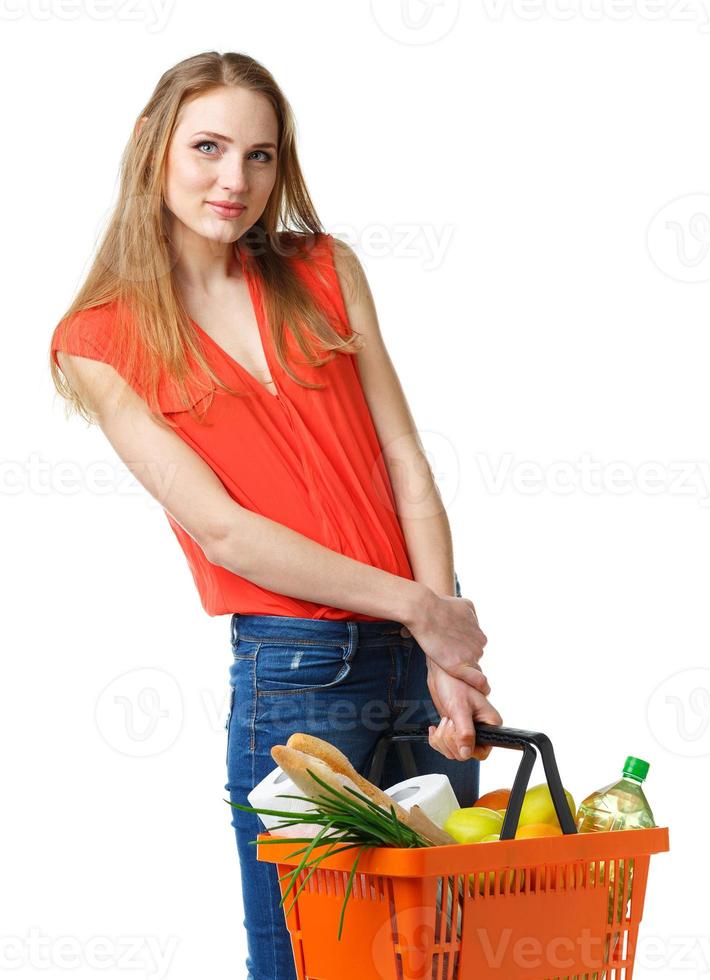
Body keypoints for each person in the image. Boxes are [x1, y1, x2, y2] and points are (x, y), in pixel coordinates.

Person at [49, 50, 503, 980]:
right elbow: (224, 531)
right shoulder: (98, 341)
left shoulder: (325, 268)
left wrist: (445, 648)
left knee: (441, 957)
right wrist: (425, 612)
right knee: (310, 962)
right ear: (150, 144)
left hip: (423, 648)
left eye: (260, 156)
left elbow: (405, 461)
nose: (235, 179)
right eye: (208, 147)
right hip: (297, 674)